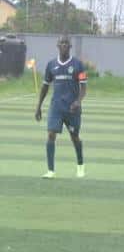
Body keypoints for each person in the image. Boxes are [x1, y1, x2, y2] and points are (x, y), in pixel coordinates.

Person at [35, 35, 88, 179]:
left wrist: (78, 101)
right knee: (51, 134)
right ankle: (50, 170)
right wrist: (38, 106)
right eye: (61, 43)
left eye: (66, 43)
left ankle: (80, 166)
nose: (64, 45)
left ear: (70, 46)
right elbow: (45, 86)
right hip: (56, 107)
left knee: (75, 137)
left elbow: (83, 88)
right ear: (57, 46)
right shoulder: (51, 65)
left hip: (72, 108)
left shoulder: (78, 64)